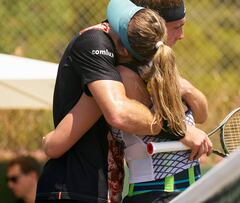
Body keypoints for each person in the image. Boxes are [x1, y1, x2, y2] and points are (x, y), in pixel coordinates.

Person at [36, 0, 211, 202]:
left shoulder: (131, 77)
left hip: (101, 190)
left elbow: (54, 144)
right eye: (178, 27)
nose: (107, 30)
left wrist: (185, 94)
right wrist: (178, 128)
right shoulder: (102, 51)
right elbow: (118, 113)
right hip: (76, 188)